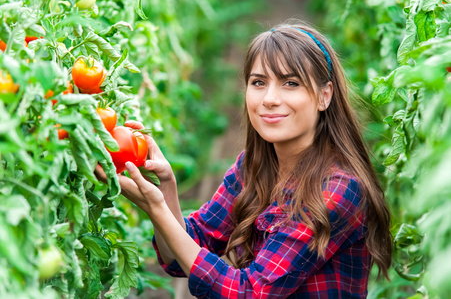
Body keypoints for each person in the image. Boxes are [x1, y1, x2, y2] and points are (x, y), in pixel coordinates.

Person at [96, 22, 392, 298]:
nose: (270, 98)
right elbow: (180, 255)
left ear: (324, 96)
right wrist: (167, 190)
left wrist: (156, 208)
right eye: (259, 82)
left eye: (291, 83)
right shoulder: (254, 166)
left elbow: (248, 292)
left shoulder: (338, 189)